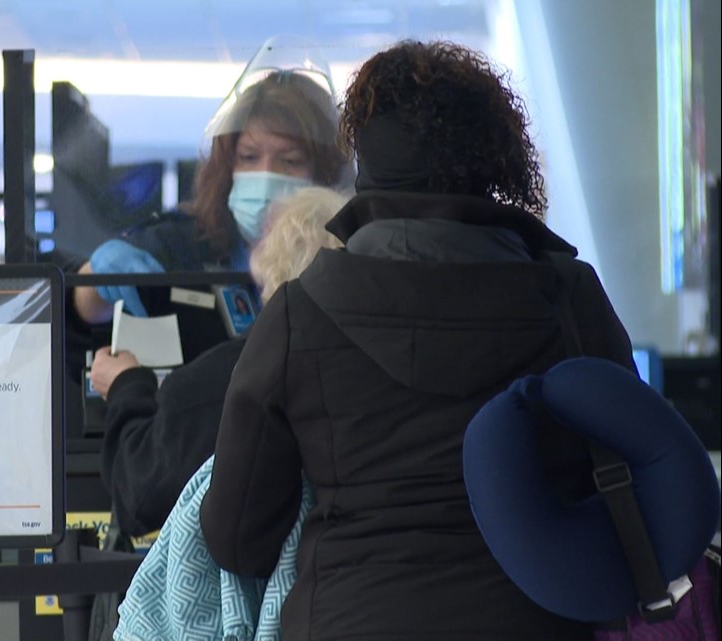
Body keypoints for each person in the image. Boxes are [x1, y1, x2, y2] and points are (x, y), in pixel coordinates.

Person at [200, 40, 637, 640]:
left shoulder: (301, 311)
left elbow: (237, 538)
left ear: (366, 163)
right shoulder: (568, 296)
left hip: (348, 620)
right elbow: (631, 465)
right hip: (538, 621)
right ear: (497, 157)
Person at [89, 186, 347, 537]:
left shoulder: (233, 376)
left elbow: (140, 497)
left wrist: (126, 388)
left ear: (265, 264)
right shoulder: (379, 362)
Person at [73, 36, 351, 323]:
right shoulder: (185, 242)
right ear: (228, 165)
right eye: (249, 157)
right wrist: (93, 280)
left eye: (290, 161)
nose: (266, 175)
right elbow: (85, 316)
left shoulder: (351, 258)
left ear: (324, 174)